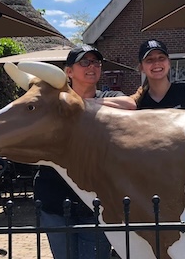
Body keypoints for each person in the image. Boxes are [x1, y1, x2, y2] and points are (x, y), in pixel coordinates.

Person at [34, 45, 136, 259]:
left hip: (96, 201)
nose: (92, 67)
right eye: (84, 62)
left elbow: (130, 104)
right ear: (68, 71)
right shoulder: (53, 101)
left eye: (96, 62)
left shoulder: (110, 96)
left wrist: (83, 104)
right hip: (55, 198)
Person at [131, 39, 185, 109]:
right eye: (149, 60)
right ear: (141, 68)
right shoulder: (138, 102)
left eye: (161, 58)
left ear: (169, 63)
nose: (156, 63)